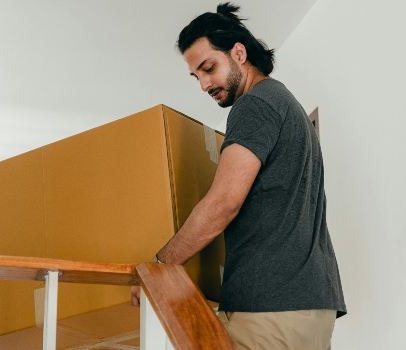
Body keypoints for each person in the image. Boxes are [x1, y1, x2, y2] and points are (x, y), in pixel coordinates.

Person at [131, 3, 346, 349]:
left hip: (269, 308)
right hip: (313, 305)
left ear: (239, 53)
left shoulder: (255, 105)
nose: (203, 84)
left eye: (208, 68)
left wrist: (159, 266)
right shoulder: (288, 106)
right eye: (195, 76)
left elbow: (224, 202)